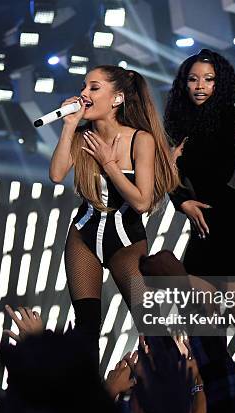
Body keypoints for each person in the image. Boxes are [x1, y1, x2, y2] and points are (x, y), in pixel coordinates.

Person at [49, 65, 179, 353]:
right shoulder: (82, 136)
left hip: (126, 243)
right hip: (82, 236)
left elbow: (142, 202)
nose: (83, 93)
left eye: (94, 88)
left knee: (152, 328)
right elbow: (57, 175)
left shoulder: (140, 139)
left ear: (117, 99)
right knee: (86, 328)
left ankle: (174, 390)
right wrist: (70, 126)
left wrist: (109, 164)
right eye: (84, 86)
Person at [164, 49, 235, 352]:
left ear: (220, 85)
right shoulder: (178, 124)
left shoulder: (226, 116)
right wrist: (180, 199)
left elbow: (217, 173)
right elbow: (170, 179)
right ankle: (213, 389)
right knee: (199, 317)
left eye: (208, 79)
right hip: (204, 223)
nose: (199, 86)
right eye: (193, 79)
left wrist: (174, 163)